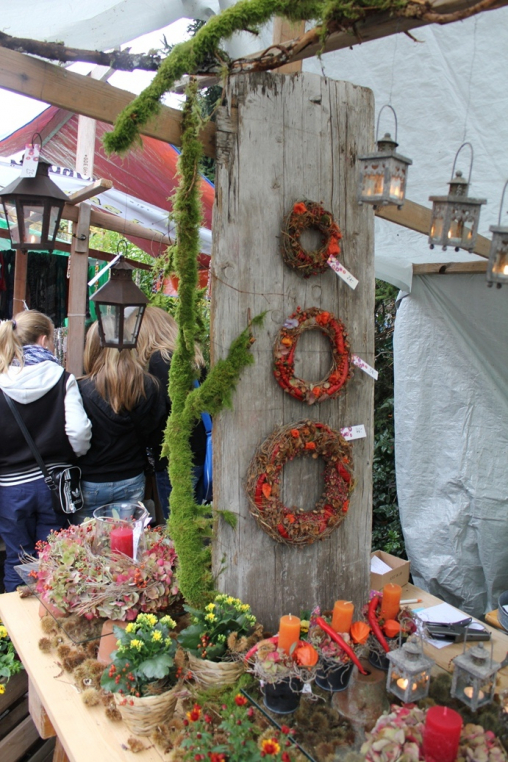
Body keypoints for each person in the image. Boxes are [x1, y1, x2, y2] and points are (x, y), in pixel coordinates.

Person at [0, 311, 92, 591]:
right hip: (53, 485)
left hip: (10, 489)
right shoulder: (63, 379)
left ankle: (10, 631)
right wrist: (69, 455)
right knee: (53, 559)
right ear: (43, 340)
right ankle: (49, 623)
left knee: (17, 559)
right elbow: (78, 434)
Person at [74, 322, 167, 521]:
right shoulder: (150, 386)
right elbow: (156, 434)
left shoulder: (81, 389)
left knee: (86, 546)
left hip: (91, 480)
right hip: (131, 477)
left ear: (91, 348)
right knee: (126, 547)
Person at [136, 306, 207, 519]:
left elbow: (160, 413)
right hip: (199, 451)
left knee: (178, 528)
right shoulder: (190, 358)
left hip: (176, 459)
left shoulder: (160, 360)